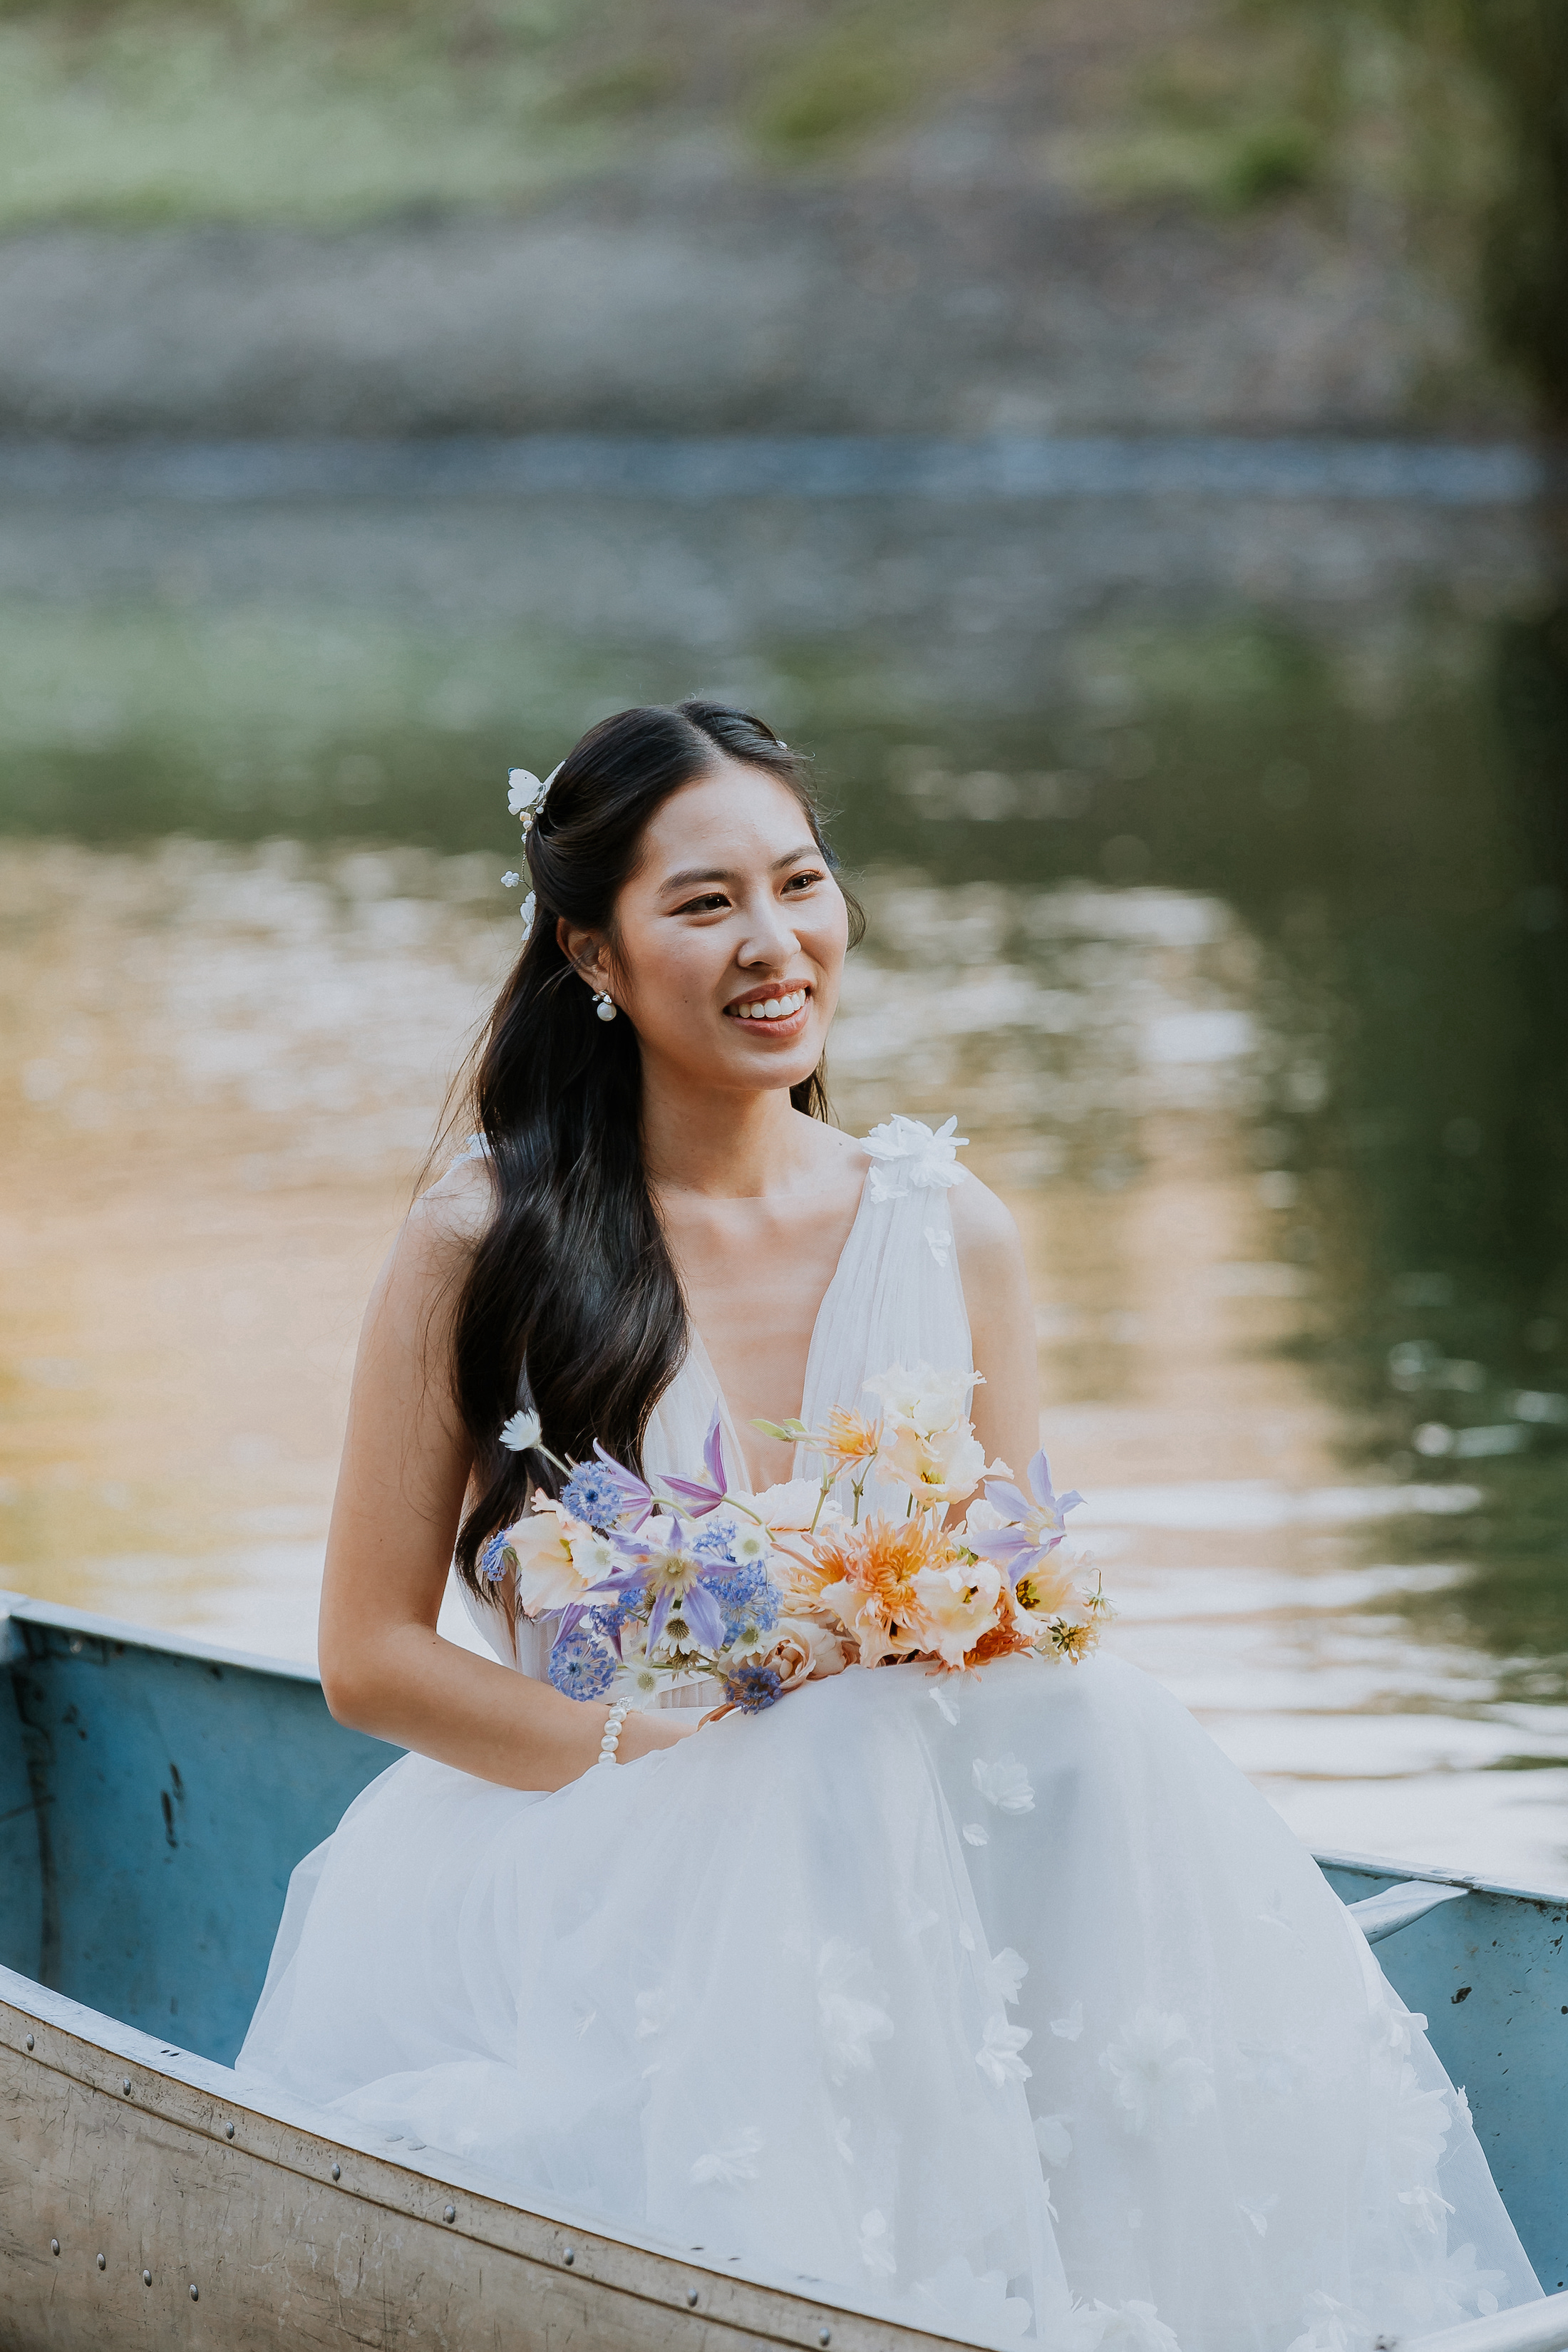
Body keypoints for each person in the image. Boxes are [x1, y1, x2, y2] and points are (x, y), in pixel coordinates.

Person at [239, 702, 1540, 2352]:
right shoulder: (484, 1240)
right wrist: (672, 1756)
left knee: (1089, 1717)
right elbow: (367, 1659)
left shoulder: (945, 1226)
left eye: (798, 882)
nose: (774, 943)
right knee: (812, 1772)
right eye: (703, 904)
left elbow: (1019, 1602)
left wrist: (944, 1637)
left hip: (929, 1877)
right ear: (593, 950)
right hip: (599, 1843)